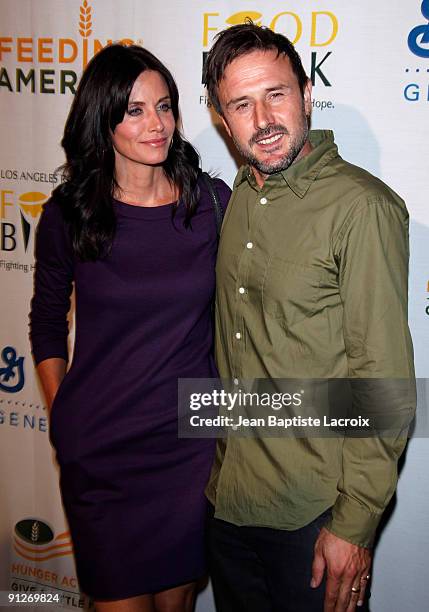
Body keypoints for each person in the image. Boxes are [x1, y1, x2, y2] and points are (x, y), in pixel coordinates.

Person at [203, 23, 415, 612]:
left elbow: (384, 380)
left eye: (276, 94)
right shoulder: (239, 196)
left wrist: (354, 525)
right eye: (241, 104)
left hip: (313, 516)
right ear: (223, 119)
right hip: (228, 503)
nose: (263, 119)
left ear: (306, 92)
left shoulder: (361, 207)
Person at [29, 43, 230, 612]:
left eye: (164, 106)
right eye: (135, 110)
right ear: (104, 118)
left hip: (188, 452)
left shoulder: (210, 203)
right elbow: (47, 324)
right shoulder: (71, 214)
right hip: (103, 451)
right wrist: (63, 417)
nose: (157, 124)